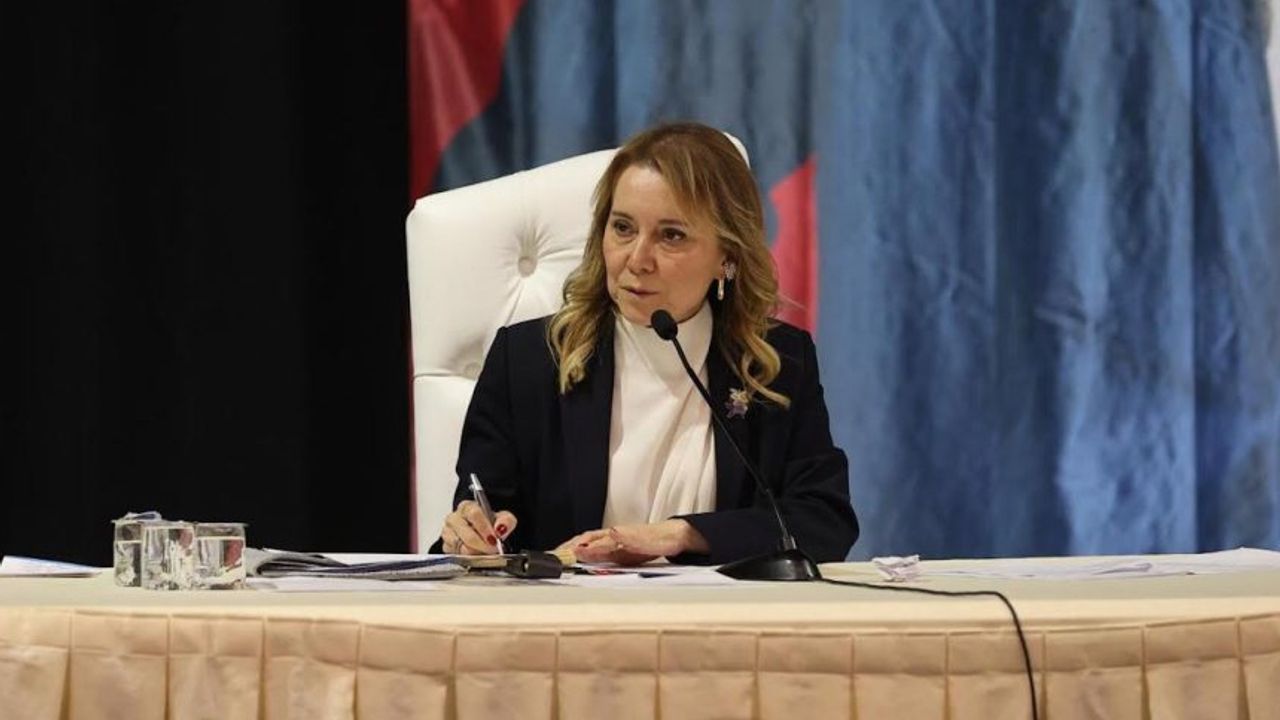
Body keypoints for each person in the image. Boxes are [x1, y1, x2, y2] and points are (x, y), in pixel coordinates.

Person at [435, 122, 857, 565]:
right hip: (569, 606)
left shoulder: (775, 364)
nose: (637, 260)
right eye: (623, 228)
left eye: (671, 235)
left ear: (727, 257)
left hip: (718, 608)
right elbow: (483, 525)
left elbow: (824, 521)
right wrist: (470, 537)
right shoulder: (529, 359)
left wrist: (683, 534)